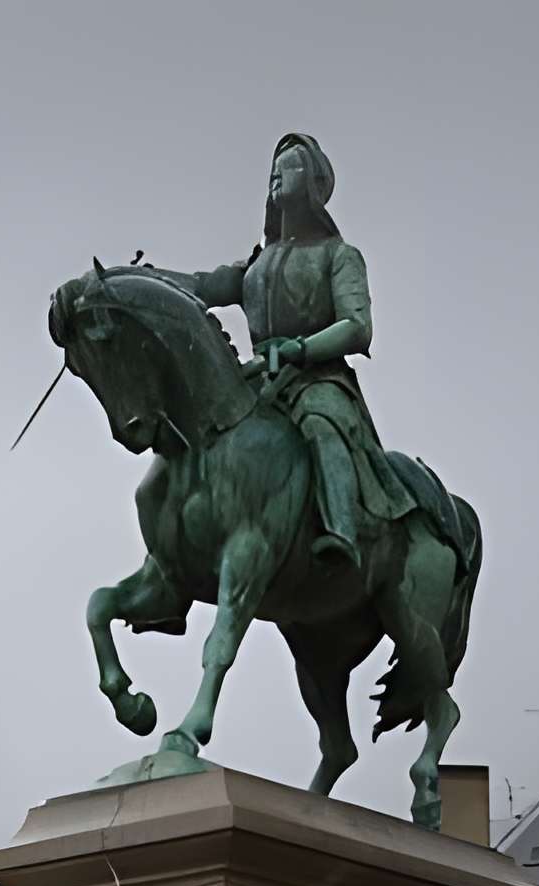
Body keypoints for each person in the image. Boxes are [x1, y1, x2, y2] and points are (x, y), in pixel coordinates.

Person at [159, 134, 413, 568]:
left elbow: (357, 327)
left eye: (289, 167)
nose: (276, 176)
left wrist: (299, 348)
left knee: (321, 425)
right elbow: (202, 286)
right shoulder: (257, 265)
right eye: (273, 170)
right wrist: (146, 280)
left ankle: (342, 530)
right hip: (259, 381)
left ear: (312, 183)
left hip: (318, 380)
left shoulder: (339, 255)